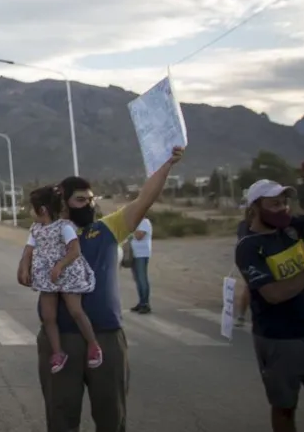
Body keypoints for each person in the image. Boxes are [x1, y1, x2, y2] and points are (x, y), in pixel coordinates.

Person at [25, 146, 184, 432]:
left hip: (106, 337)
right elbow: (28, 271)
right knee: (61, 418)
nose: (88, 205)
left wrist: (166, 165)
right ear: (63, 201)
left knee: (112, 417)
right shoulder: (47, 232)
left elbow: (145, 198)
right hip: (60, 339)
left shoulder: (109, 229)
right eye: (80, 199)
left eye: (91, 199)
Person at [235, 175, 304, 432]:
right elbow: (273, 294)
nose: (283, 209)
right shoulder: (249, 247)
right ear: (254, 209)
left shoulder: (291, 229)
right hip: (280, 340)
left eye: (284, 202)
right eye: (274, 204)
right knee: (285, 408)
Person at [19, 185, 101, 374]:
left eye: (32, 208)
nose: (30, 212)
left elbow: (75, 250)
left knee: (76, 311)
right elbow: (28, 250)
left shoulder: (64, 227)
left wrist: (60, 265)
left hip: (67, 274)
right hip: (46, 278)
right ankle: (58, 352)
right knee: (48, 317)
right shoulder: (35, 229)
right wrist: (24, 267)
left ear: (43, 210)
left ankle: (93, 345)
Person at [129, 216, 153, 313]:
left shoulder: (144, 222)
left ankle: (145, 304)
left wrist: (130, 232)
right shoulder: (136, 222)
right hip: (134, 254)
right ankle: (141, 302)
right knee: (138, 279)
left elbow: (139, 236)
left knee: (142, 278)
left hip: (142, 254)